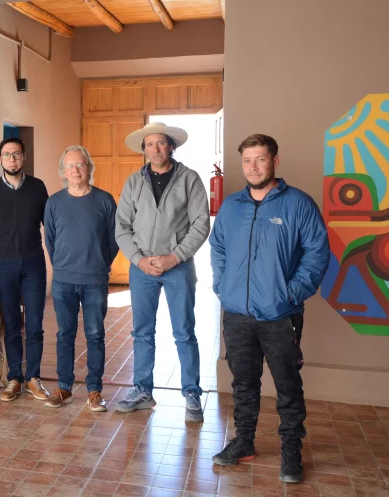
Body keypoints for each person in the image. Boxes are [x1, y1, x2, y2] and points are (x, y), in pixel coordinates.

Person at [210, 134, 329, 483]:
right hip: (236, 314)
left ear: (275, 161)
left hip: (281, 315)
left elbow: (317, 253)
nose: (253, 167)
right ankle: (244, 442)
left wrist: (291, 293)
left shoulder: (299, 204)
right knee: (243, 383)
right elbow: (218, 250)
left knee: (288, 385)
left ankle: (291, 451)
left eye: (260, 159)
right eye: (247, 160)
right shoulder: (231, 206)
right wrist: (222, 286)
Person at [114, 122, 210, 422]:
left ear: (171, 147)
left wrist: (175, 257)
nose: (155, 149)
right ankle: (142, 391)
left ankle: (192, 393)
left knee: (184, 332)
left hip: (178, 268)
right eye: (150, 144)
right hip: (141, 269)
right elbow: (122, 228)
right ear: (144, 150)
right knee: (142, 332)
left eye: (161, 143)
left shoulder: (189, 180)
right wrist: (139, 260)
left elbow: (201, 224)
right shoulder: (133, 183)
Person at [43, 146, 118, 412]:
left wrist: (100, 263)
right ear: (63, 171)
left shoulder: (105, 200)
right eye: (70, 166)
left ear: (89, 167)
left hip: (95, 279)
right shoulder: (54, 202)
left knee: (95, 334)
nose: (75, 170)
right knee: (65, 334)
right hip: (63, 281)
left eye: (80, 165)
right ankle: (64, 386)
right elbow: (50, 240)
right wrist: (61, 265)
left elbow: (113, 239)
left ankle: (94, 390)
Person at [0, 137, 50, 402]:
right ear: (0, 159)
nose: (12, 159)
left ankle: (33, 378)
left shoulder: (37, 187)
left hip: (33, 264)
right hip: (1, 265)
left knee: (34, 323)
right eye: (7, 155)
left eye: (16, 154)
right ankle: (14, 379)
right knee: (10, 324)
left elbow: (50, 225)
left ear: (24, 157)